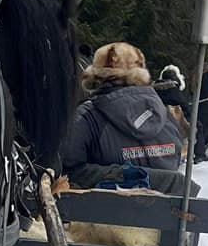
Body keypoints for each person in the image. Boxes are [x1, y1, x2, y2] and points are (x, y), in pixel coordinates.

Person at [61, 41, 185, 180]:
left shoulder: (87, 118)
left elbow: (68, 171)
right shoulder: (165, 114)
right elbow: (176, 158)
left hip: (105, 194)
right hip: (167, 194)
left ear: (98, 76)